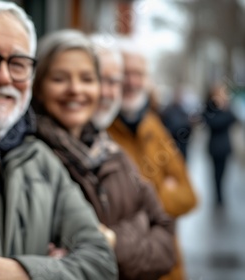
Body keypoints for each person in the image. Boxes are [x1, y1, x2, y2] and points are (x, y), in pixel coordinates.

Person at [0, 1, 118, 279]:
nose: (3, 77)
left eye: (18, 64)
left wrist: (24, 272)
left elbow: (102, 264)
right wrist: (61, 268)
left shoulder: (42, 161)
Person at [32, 29, 176, 280]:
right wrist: (138, 227)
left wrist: (113, 241)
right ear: (39, 86)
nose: (75, 89)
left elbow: (166, 243)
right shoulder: (29, 158)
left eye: (87, 78)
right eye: (59, 78)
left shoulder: (112, 152)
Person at [107, 38, 198, 280]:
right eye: (125, 73)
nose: (132, 81)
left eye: (139, 74)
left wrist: (145, 201)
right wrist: (163, 187)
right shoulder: (100, 130)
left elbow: (189, 196)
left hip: (168, 268)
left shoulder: (153, 126)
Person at [203, 82, 237, 206]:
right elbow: (212, 123)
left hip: (225, 146)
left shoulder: (227, 108)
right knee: (215, 174)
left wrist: (225, 106)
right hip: (214, 147)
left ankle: (221, 194)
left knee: (223, 173)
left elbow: (233, 118)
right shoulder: (210, 109)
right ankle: (218, 197)